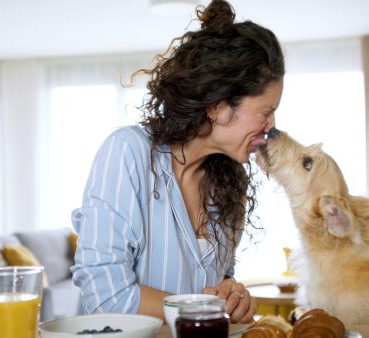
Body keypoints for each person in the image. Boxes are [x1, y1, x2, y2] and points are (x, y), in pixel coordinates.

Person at [70, 0, 285, 324]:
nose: (272, 127)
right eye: (266, 111)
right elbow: (107, 298)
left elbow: (221, 280)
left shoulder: (231, 183)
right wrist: (208, 309)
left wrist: (231, 296)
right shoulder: (128, 153)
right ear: (217, 105)